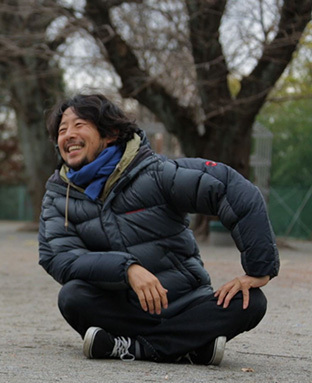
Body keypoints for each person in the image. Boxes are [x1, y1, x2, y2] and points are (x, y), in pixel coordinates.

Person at [38, 94, 278, 365]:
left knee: (251, 303)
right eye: (62, 130)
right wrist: (127, 269)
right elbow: (59, 257)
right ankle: (187, 347)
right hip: (124, 309)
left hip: (185, 303)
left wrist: (259, 270)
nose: (68, 134)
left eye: (79, 125)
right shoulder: (59, 196)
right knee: (72, 297)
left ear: (110, 133)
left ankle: (133, 348)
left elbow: (231, 188)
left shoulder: (156, 172)